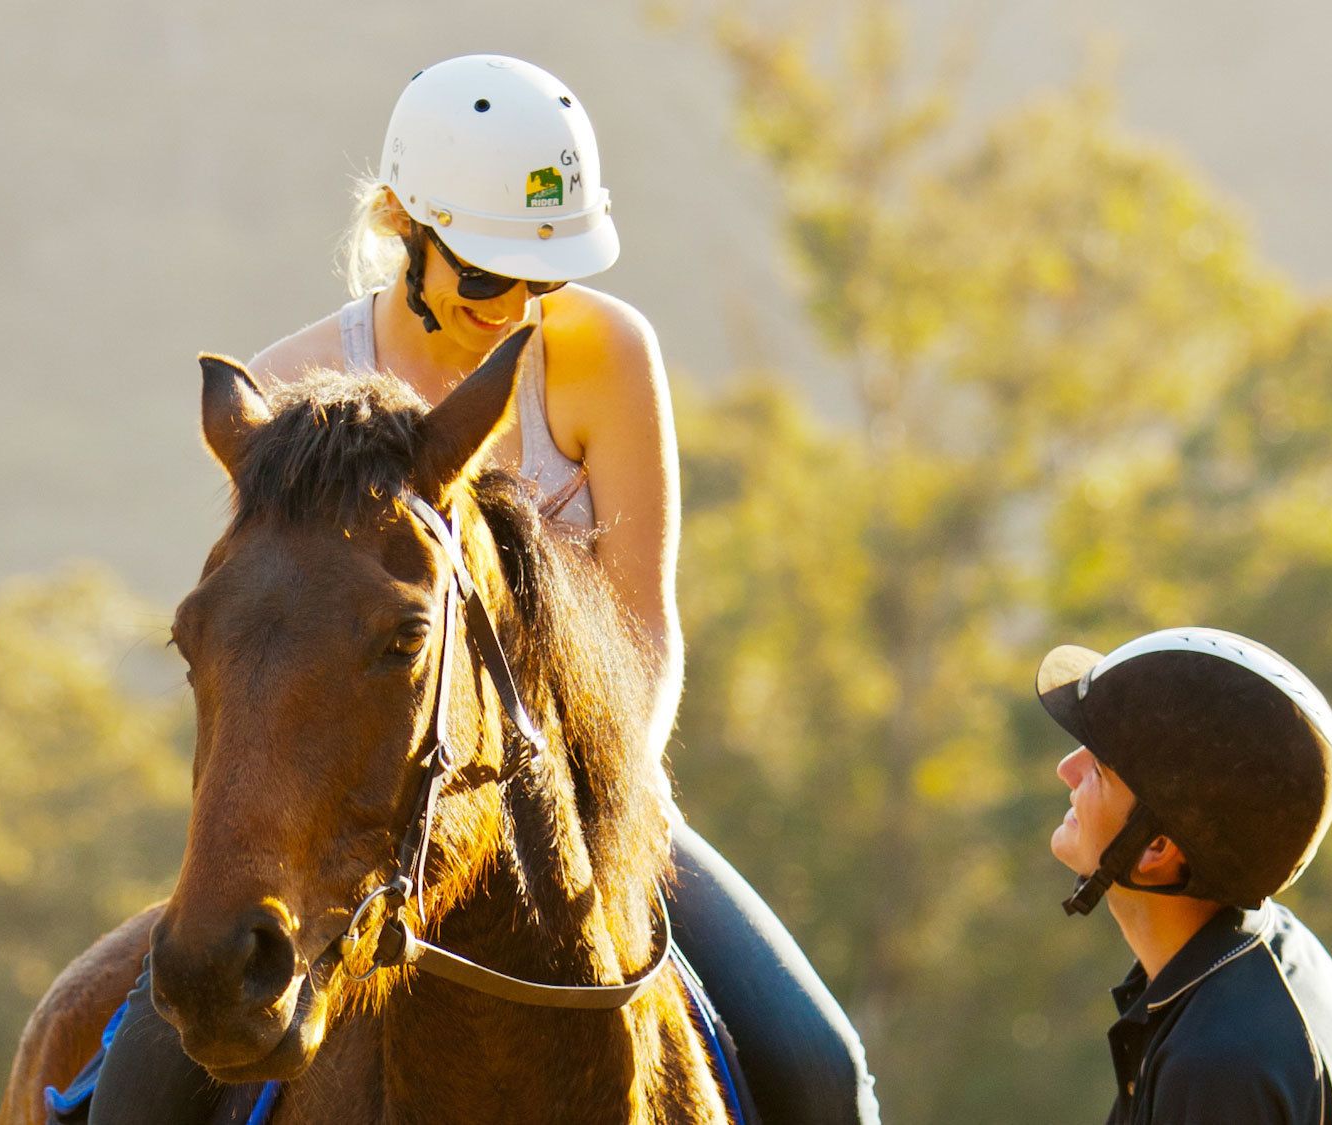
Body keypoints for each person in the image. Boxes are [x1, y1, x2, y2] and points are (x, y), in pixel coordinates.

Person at [81, 54, 877, 1124]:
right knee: (128, 1097)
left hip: (584, 802)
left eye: (544, 277)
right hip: (352, 819)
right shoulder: (289, 395)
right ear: (404, 224)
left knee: (818, 1067)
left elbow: (646, 618)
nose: (520, 308)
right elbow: (270, 656)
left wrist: (607, 806)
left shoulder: (605, 352)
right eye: (490, 275)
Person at [1036, 626, 1332, 1125]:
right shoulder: (1262, 959)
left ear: (1156, 848)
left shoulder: (1217, 1068)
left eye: (1099, 767)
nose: (1066, 770)